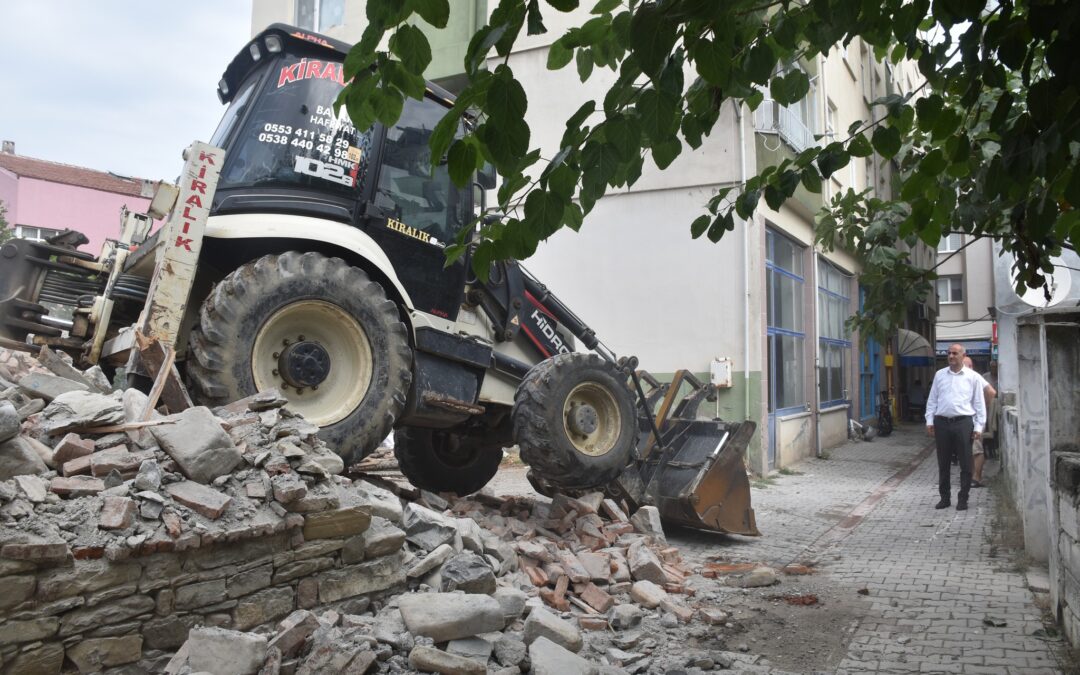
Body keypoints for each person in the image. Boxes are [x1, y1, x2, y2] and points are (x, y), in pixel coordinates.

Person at [925, 344, 987, 511]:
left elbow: (979, 404)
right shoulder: (940, 375)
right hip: (942, 422)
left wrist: (979, 427)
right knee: (943, 462)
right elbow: (932, 400)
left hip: (963, 423)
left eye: (955, 353)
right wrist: (929, 421)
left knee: (966, 463)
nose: (951, 356)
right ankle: (944, 498)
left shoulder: (972, 377)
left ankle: (963, 498)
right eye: (949, 353)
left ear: (962, 355)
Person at [963, 356, 997, 487]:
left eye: (965, 365)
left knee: (976, 449)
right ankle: (971, 476)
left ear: (970, 366)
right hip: (965, 420)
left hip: (975, 420)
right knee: (968, 450)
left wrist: (984, 406)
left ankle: (976, 478)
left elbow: (991, 392)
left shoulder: (975, 376)